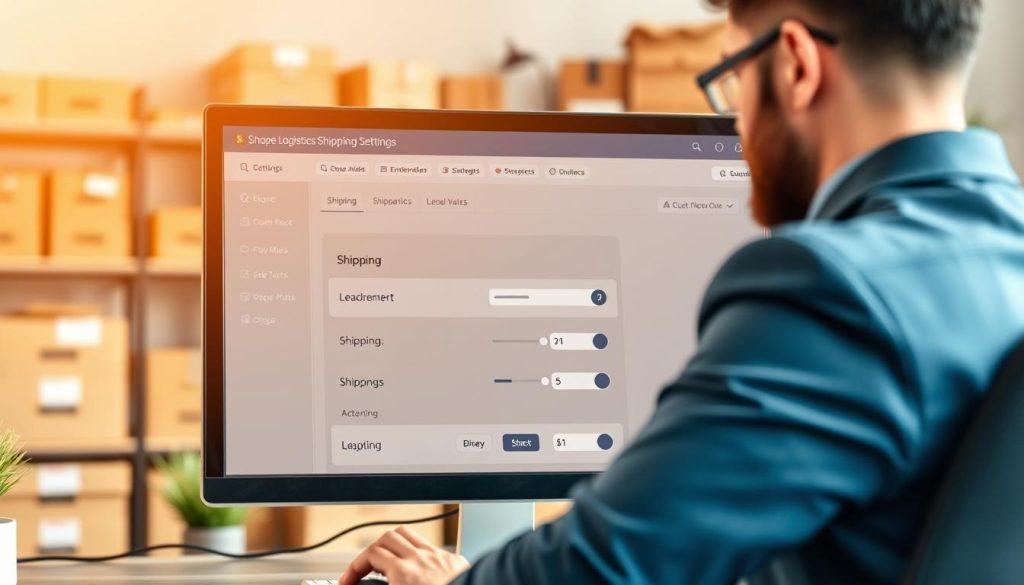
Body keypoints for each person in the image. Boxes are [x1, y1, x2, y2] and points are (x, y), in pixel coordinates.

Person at [340, 0, 1024, 582]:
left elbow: (610, 563)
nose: (735, 123)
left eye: (731, 80)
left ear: (795, 65)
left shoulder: (833, 288)